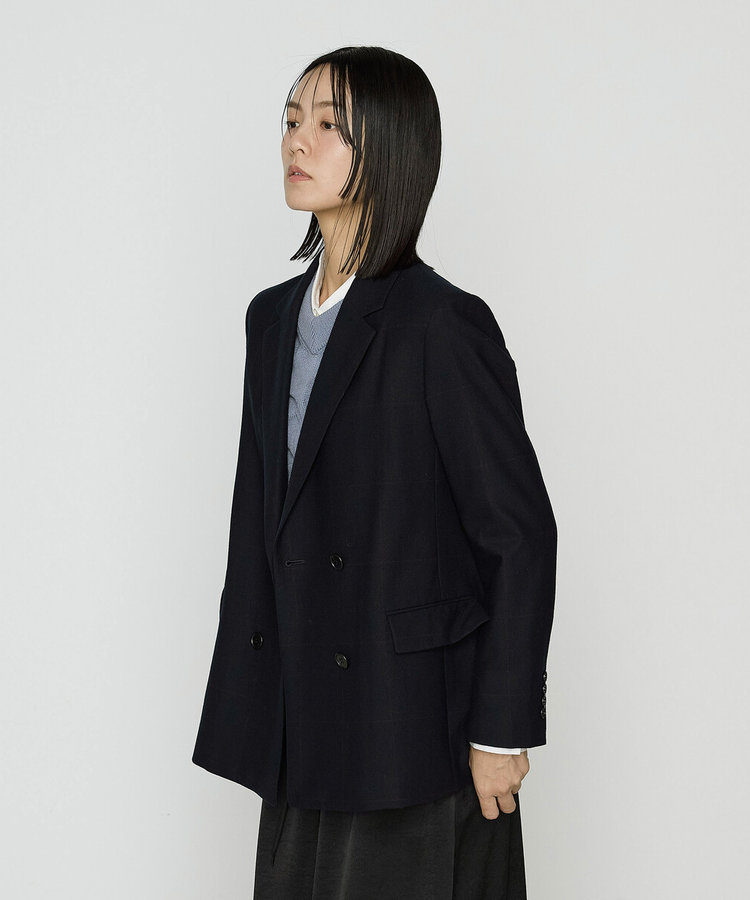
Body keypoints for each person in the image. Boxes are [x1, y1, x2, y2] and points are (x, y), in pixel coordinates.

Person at [192, 45, 557, 899]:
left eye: (330, 125)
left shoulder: (441, 324)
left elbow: (518, 533)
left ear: (390, 147)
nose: (298, 140)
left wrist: (501, 729)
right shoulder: (270, 319)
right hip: (297, 717)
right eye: (292, 119)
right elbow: (260, 515)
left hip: (411, 725)